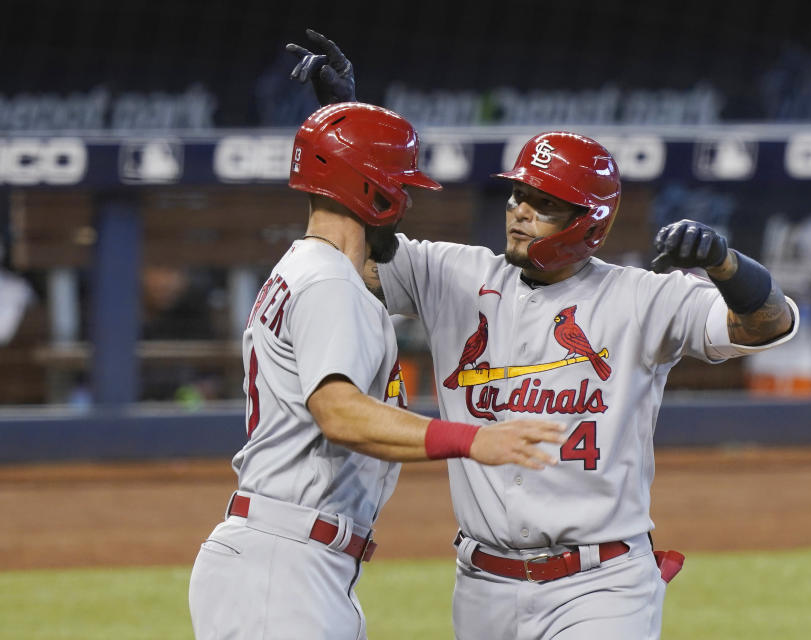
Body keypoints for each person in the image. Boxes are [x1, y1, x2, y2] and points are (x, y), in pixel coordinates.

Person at [289, 33, 798, 640]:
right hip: (483, 585)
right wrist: (342, 129)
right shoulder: (455, 274)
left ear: (589, 221)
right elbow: (344, 247)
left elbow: (769, 323)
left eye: (544, 202)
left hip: (601, 586)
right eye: (518, 194)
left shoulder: (643, 297)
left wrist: (726, 265)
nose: (519, 211)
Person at [187, 102, 565, 640]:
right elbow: (339, 413)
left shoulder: (306, 268)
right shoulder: (331, 285)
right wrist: (471, 439)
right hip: (284, 570)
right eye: (399, 186)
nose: (404, 202)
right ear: (376, 194)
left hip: (287, 562)